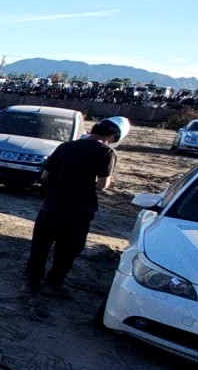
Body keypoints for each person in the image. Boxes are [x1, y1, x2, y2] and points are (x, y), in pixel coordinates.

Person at [24, 118, 128, 296]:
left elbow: (45, 175)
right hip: (79, 210)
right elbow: (103, 184)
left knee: (40, 245)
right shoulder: (106, 153)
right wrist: (84, 184)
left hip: (52, 205)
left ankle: (31, 281)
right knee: (68, 249)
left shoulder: (65, 147)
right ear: (110, 136)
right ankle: (53, 283)